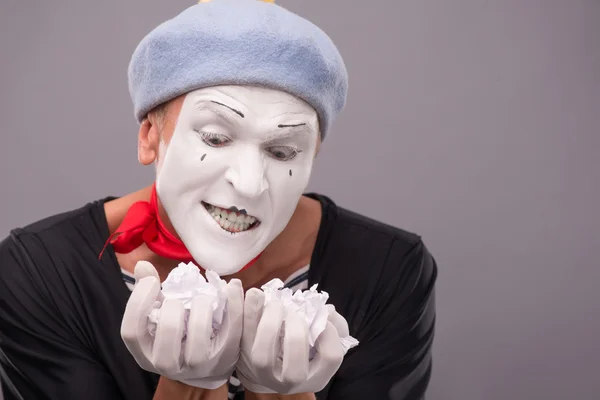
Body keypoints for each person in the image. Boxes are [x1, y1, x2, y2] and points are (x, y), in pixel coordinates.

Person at [0, 0, 437, 399]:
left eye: (282, 151)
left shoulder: (389, 270)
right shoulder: (38, 273)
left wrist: (284, 395)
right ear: (151, 137)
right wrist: (187, 387)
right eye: (215, 137)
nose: (249, 184)